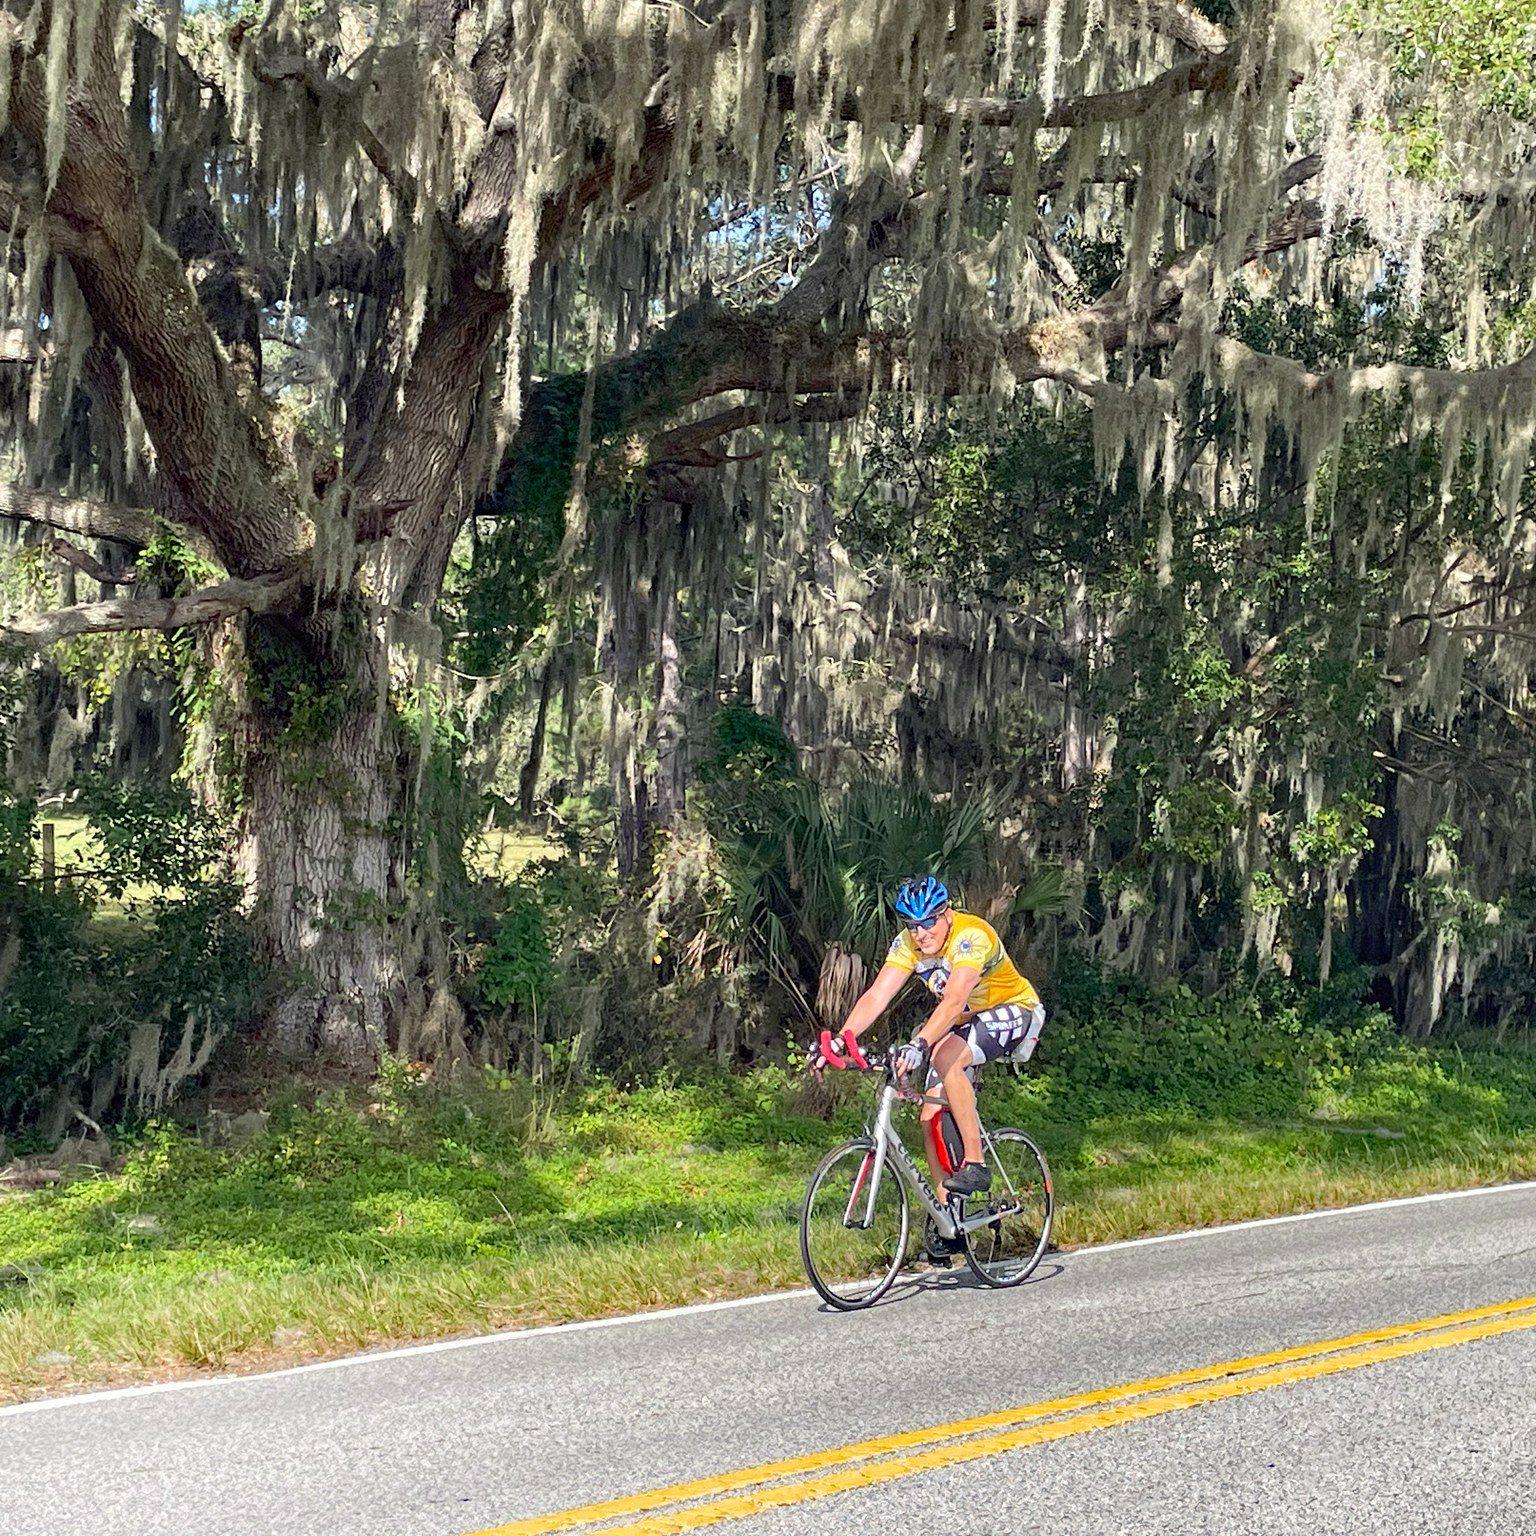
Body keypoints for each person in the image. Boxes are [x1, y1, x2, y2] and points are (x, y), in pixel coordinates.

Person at [810, 875, 1045, 1203]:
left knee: (946, 1057)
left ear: (947, 914)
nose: (921, 933)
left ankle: (977, 1164)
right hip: (966, 1019)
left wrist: (919, 1043)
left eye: (929, 922)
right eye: (912, 925)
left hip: (1014, 1009)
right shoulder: (909, 943)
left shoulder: (971, 936)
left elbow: (952, 1001)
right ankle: (947, 1219)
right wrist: (841, 1039)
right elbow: (877, 995)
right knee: (929, 1117)